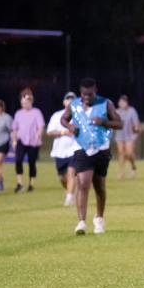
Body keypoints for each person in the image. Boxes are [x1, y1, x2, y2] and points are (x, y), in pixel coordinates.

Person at [60, 78, 122, 235]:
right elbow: (63, 119)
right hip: (81, 148)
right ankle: (81, 222)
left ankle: (99, 218)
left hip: (102, 148)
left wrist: (104, 121)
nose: (86, 97)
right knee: (83, 183)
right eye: (84, 94)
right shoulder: (74, 105)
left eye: (90, 94)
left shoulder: (105, 103)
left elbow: (119, 123)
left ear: (96, 91)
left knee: (99, 186)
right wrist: (70, 126)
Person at [46, 92, 80, 206]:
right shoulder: (57, 115)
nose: (70, 101)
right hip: (59, 151)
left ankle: (69, 198)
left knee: (71, 173)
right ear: (64, 102)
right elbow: (50, 132)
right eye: (68, 99)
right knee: (62, 177)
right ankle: (71, 192)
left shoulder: (81, 115)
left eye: (72, 99)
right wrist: (63, 132)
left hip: (74, 150)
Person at [11, 88, 45, 193]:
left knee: (32, 162)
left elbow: (40, 126)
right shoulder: (18, 113)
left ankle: (31, 184)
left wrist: (38, 135)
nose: (24, 105)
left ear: (30, 102)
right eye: (22, 103)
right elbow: (14, 128)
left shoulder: (36, 112)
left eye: (25, 102)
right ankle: (20, 183)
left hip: (33, 141)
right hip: (21, 139)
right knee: (18, 160)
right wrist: (14, 139)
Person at [114, 94, 140, 179]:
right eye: (120, 102)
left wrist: (136, 128)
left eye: (123, 102)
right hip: (119, 136)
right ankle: (121, 172)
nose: (122, 104)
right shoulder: (116, 112)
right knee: (121, 153)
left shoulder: (132, 111)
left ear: (127, 103)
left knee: (129, 153)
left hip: (129, 135)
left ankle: (133, 166)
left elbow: (136, 123)